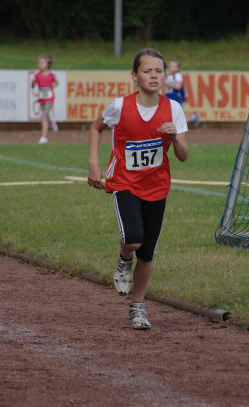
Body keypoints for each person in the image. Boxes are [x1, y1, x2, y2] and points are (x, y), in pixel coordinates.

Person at [88, 48, 188, 330]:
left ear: (166, 75)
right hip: (125, 181)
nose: (154, 76)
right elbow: (95, 128)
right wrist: (93, 164)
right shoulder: (119, 106)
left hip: (157, 185)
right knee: (133, 239)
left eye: (159, 71)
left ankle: (138, 307)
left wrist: (174, 138)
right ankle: (123, 260)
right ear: (135, 76)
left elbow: (182, 155)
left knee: (147, 253)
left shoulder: (174, 109)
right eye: (147, 71)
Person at [31, 55, 58, 144]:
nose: (40, 65)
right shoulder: (37, 75)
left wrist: (54, 85)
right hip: (42, 98)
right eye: (39, 63)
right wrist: (33, 83)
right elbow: (33, 85)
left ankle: (44, 137)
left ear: (47, 64)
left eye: (42, 63)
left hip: (50, 98)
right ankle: (52, 123)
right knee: (45, 116)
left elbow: (56, 83)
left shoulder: (51, 75)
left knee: (44, 116)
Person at [164, 59, 199, 126]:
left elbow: (178, 86)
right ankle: (193, 117)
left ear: (178, 68)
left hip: (176, 99)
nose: (171, 68)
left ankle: (193, 117)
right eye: (170, 66)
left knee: (177, 118)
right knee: (174, 118)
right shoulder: (169, 76)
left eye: (173, 66)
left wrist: (166, 82)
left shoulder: (177, 75)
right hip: (169, 98)